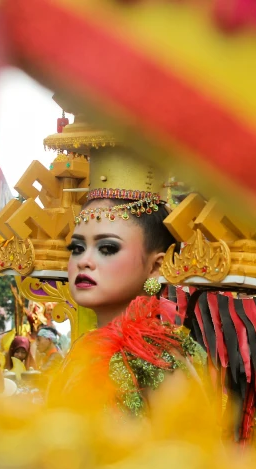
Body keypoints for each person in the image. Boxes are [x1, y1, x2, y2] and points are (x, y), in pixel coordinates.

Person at [48, 146, 208, 415]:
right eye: (77, 248)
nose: (84, 261)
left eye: (107, 248)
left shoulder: (155, 358)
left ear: (156, 266)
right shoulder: (87, 348)